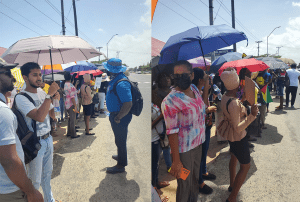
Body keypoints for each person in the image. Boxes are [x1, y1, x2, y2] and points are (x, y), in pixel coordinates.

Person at [15, 62, 61, 202]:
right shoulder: (21, 97)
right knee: (34, 180)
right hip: (35, 143)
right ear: (25, 77)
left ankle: (49, 199)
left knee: (47, 175)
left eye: (40, 74)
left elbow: (51, 114)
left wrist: (55, 100)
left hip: (48, 139)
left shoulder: (42, 93)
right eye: (34, 75)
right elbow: (39, 117)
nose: (39, 78)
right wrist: (49, 95)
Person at [161, 60, 206, 202]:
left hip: (199, 144)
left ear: (192, 75)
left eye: (184, 74)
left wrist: (208, 85)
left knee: (195, 180)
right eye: (176, 75)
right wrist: (176, 161)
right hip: (183, 151)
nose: (180, 78)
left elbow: (202, 105)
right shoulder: (171, 100)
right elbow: (172, 132)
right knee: (185, 184)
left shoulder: (194, 89)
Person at [0, 60, 44, 202]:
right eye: (7, 73)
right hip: (10, 188)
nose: (12, 77)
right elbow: (9, 160)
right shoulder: (3, 112)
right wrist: (31, 192)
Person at [219, 67, 258, 202]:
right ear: (237, 83)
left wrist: (242, 101)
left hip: (231, 136)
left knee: (234, 157)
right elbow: (238, 128)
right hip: (238, 137)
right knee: (245, 166)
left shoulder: (226, 97)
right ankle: (232, 197)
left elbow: (233, 111)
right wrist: (252, 116)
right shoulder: (234, 103)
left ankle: (231, 185)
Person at [104, 58, 133, 174]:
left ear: (111, 70)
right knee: (119, 139)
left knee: (121, 140)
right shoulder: (115, 79)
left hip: (120, 117)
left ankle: (121, 165)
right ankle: (121, 156)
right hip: (116, 115)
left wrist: (118, 117)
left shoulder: (121, 83)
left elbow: (128, 103)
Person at [191, 68, 217, 195]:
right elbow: (201, 109)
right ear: (200, 79)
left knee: (205, 150)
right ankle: (200, 182)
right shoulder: (192, 91)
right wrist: (208, 110)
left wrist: (206, 88)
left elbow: (204, 102)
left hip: (205, 125)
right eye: (206, 77)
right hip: (198, 127)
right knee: (200, 154)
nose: (208, 78)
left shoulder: (198, 89)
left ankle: (203, 172)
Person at [64, 72, 80, 138]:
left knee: (70, 119)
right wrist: (75, 106)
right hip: (72, 104)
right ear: (71, 78)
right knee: (72, 119)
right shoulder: (70, 85)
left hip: (68, 104)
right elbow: (72, 96)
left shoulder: (65, 84)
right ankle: (73, 134)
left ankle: (69, 133)